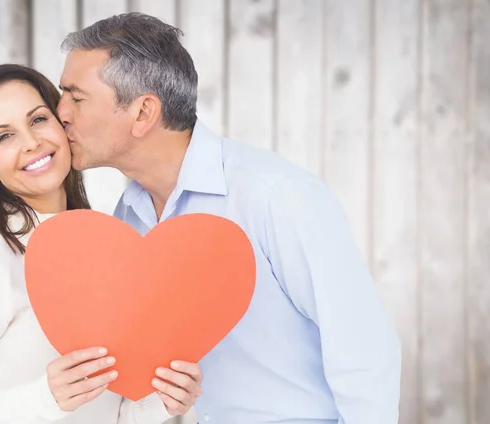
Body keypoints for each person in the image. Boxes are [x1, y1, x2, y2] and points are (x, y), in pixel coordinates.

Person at [56, 12, 402, 424]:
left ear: (143, 113)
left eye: (76, 97)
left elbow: (363, 348)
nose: (60, 112)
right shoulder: (128, 218)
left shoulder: (275, 195)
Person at [0, 64, 202, 424]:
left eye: (38, 120)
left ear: (63, 123)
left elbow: (110, 413)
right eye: (4, 136)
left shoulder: (106, 248)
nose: (32, 143)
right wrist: (46, 398)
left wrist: (165, 400)